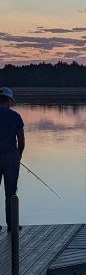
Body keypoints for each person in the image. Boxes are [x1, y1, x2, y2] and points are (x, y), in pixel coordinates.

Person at [0, 87, 25, 232]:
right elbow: (21, 140)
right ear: (9, 101)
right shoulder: (15, 116)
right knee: (10, 193)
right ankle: (11, 225)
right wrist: (19, 154)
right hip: (11, 159)